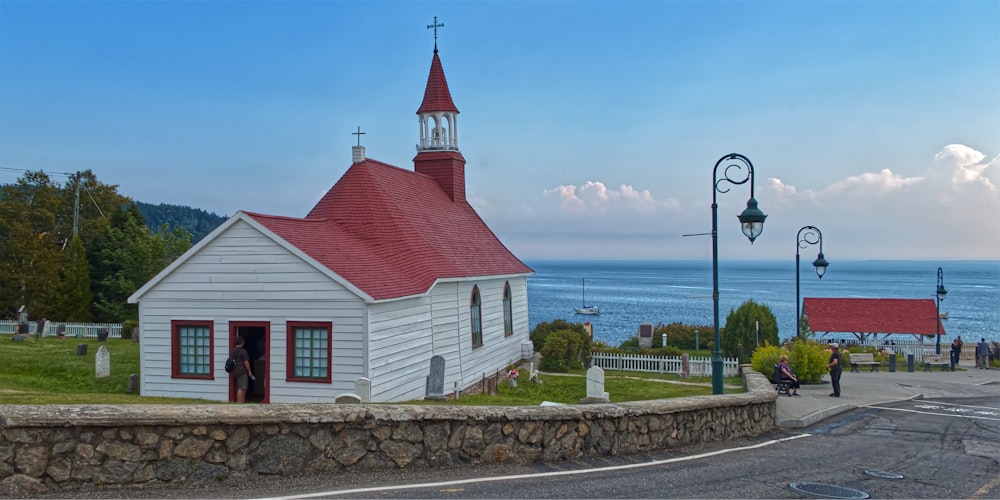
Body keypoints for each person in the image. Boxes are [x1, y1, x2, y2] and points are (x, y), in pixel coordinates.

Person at [230, 336, 255, 402]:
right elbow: (246, 362)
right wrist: (249, 371)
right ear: (242, 343)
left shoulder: (232, 351)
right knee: (241, 388)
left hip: (234, 370)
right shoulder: (243, 351)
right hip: (242, 371)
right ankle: (240, 402)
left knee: (239, 386)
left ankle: (240, 401)